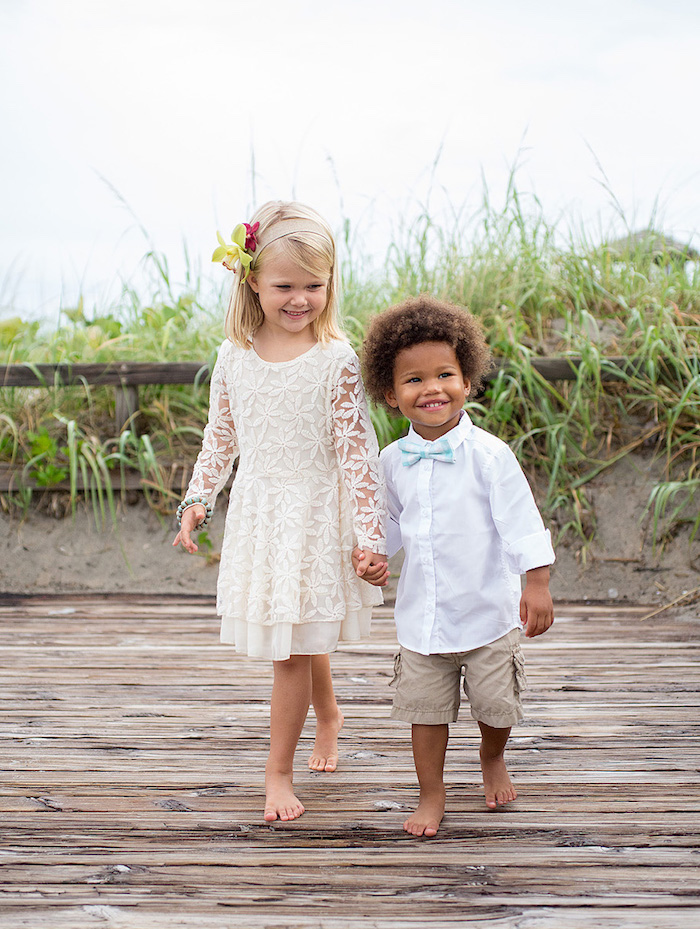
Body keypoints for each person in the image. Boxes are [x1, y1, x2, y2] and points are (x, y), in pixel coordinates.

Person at [173, 201, 387, 823]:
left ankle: (278, 773)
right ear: (253, 283)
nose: (300, 299)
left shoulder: (337, 360)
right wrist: (196, 500)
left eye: (314, 285)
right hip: (265, 515)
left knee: (291, 648)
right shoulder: (234, 356)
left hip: (319, 515)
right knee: (298, 631)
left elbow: (357, 454)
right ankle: (329, 714)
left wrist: (371, 536)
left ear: (331, 284)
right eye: (285, 286)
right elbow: (221, 439)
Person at [355, 295, 555, 837]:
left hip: (488, 612)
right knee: (425, 709)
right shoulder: (391, 462)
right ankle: (432, 792)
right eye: (413, 380)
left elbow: (521, 522)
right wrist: (376, 553)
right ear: (391, 395)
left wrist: (535, 584)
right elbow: (391, 522)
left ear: (467, 381)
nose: (431, 388)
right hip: (423, 619)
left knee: (496, 707)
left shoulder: (490, 456)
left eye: (445, 374)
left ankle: (492, 758)